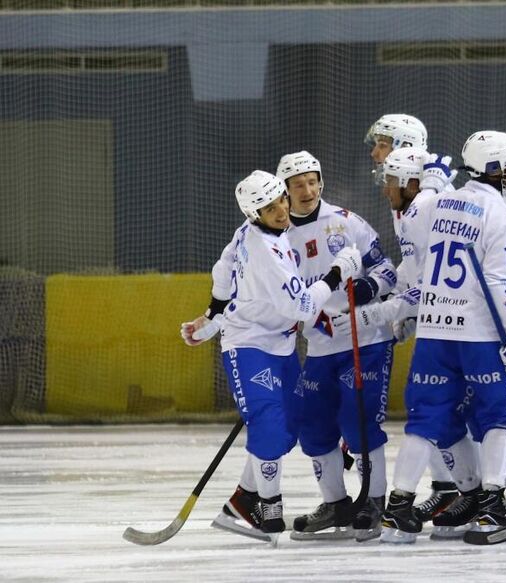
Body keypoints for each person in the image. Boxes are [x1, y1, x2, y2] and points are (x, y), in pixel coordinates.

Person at [180, 170, 358, 541]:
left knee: (292, 424)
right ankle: (268, 508)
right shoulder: (267, 254)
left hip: (282, 345)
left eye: (281, 200)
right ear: (253, 214)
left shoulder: (246, 232)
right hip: (249, 344)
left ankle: (241, 504)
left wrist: (212, 315)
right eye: (269, 208)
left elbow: (223, 267)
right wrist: (339, 272)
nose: (281, 211)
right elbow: (304, 306)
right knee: (271, 425)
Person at [378, 130, 506, 544]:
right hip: (478, 333)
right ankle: (492, 505)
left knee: (424, 421)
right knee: (498, 416)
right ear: (493, 168)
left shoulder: (438, 203)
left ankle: (398, 510)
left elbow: (415, 258)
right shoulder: (499, 212)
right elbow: (498, 281)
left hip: (434, 330)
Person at [270, 151, 398, 542]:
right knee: (312, 425)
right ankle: (337, 502)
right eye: (297, 185)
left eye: (312, 181)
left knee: (357, 423)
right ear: (284, 192)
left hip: (365, 342)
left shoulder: (346, 222)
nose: (307, 191)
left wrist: (369, 287)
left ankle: (374, 501)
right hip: (320, 348)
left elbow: (387, 269)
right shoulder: (277, 238)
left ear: (321, 182)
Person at [365, 114, 469, 524]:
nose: (375, 153)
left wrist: (397, 306)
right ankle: (453, 489)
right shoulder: (412, 195)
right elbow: (414, 260)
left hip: (457, 319)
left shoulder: (425, 199)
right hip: (437, 313)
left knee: (461, 411)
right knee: (444, 409)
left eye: (383, 143)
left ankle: (490, 493)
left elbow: (434, 271)